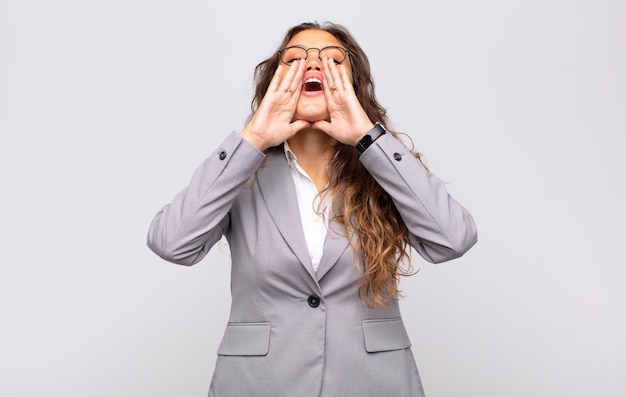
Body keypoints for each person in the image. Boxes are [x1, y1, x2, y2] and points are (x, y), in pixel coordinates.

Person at [147, 21, 477, 397]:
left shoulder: (384, 168)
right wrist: (252, 138)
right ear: (274, 82)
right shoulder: (241, 170)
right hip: (260, 383)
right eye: (295, 59)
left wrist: (370, 138)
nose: (313, 65)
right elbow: (172, 243)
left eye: (333, 60)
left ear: (352, 85)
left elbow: (454, 239)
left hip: (374, 382)